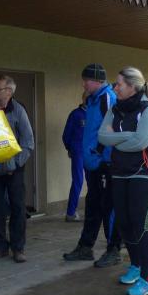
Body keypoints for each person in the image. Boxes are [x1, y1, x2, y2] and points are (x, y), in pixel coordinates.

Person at [98, 67, 148, 295]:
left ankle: (146, 279)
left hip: (145, 171)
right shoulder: (114, 109)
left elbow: (141, 142)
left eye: (119, 84)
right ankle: (135, 265)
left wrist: (117, 139)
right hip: (120, 171)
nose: (115, 88)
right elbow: (102, 137)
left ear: (132, 86)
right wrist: (127, 136)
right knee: (124, 223)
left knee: (140, 223)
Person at [63, 63, 122, 268]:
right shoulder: (92, 99)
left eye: (86, 80)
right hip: (93, 163)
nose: (83, 84)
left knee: (108, 207)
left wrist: (98, 152)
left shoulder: (107, 98)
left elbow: (111, 128)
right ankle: (86, 247)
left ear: (97, 81)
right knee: (93, 205)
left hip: (105, 162)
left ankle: (114, 250)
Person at [0, 75, 34, 263]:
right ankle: (0, 247)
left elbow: (28, 142)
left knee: (17, 208)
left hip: (15, 168)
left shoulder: (18, 110)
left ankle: (18, 248)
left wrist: (14, 164)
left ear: (8, 91)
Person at [62, 94, 87, 222]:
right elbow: (66, 135)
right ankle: (71, 213)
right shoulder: (76, 114)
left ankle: (93, 212)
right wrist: (70, 149)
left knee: (94, 182)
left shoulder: (95, 113)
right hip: (78, 152)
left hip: (93, 153)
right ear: (83, 99)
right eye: (87, 98)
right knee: (78, 181)